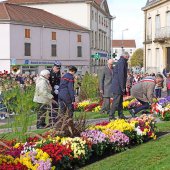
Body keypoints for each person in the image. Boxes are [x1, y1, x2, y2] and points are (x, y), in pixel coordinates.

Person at [109, 51, 130, 120]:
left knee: (120, 102)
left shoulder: (122, 61)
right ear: (125, 56)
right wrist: (122, 87)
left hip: (118, 85)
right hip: (118, 86)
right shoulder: (122, 62)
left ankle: (120, 115)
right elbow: (121, 75)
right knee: (116, 102)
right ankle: (111, 116)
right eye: (128, 57)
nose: (128, 58)